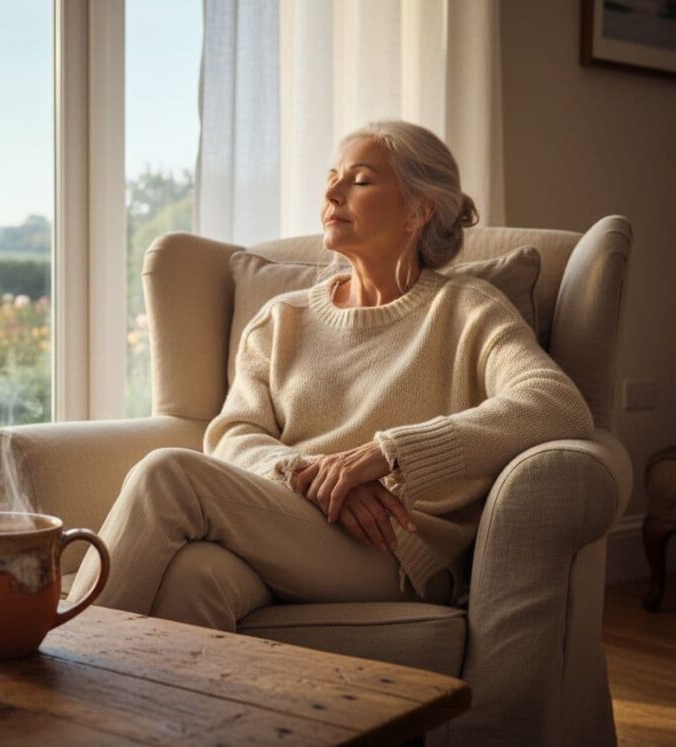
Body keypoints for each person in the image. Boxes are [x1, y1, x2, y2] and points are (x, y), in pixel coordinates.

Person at [66, 120, 593, 631]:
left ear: (419, 210)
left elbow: (557, 404)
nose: (334, 191)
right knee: (193, 578)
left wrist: (388, 455)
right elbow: (233, 434)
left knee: (168, 474)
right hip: (290, 522)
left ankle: (65, 664)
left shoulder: (468, 310)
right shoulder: (283, 317)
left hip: (393, 549)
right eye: (332, 177)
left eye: (360, 180)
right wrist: (311, 475)